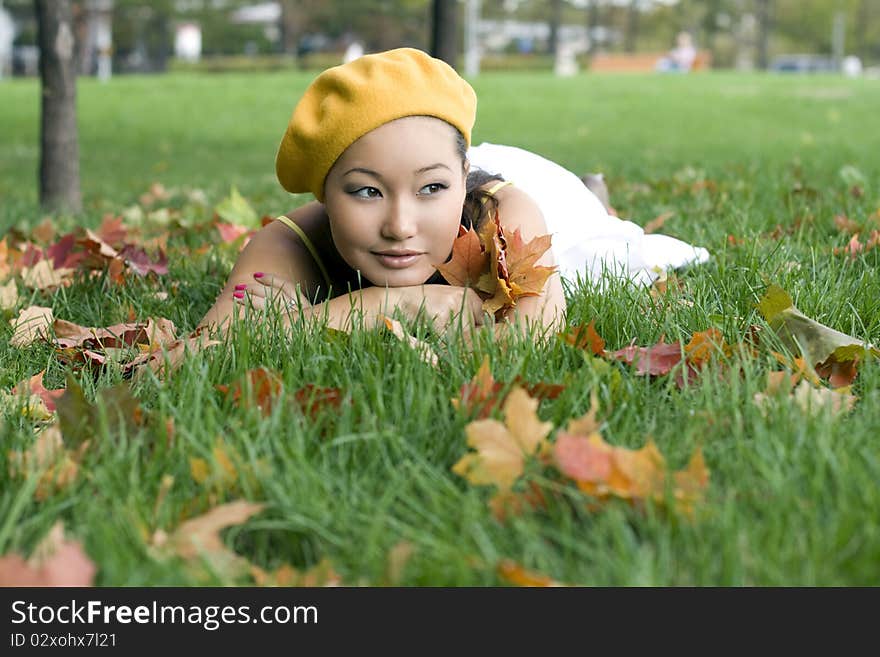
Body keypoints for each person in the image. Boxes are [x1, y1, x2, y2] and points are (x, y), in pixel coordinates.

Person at [197, 48, 708, 338]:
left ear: (461, 178)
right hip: (438, 156)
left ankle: (594, 194)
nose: (400, 226)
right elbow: (211, 346)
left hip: (542, 194)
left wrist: (342, 312)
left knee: (607, 240)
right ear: (325, 194)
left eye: (432, 189)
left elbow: (529, 337)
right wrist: (400, 304)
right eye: (366, 193)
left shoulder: (505, 211)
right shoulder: (287, 242)